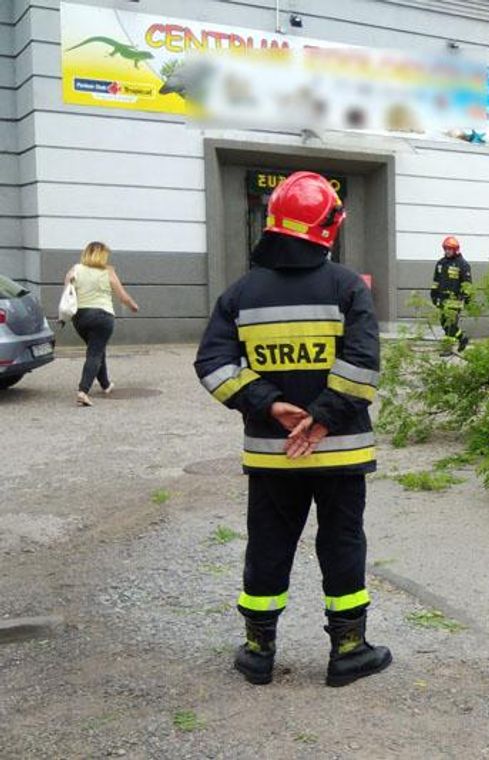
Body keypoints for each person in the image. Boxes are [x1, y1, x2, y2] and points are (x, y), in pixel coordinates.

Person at [194, 171, 390, 688]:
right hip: (341, 450)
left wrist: (269, 403)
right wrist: (323, 417)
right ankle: (349, 651)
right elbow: (363, 363)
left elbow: (212, 363)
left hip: (273, 452)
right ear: (328, 227)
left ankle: (258, 651)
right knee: (342, 542)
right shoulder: (347, 287)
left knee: (268, 543)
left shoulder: (240, 294)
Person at [65, 241, 139, 407]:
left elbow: (67, 293)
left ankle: (105, 384)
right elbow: (122, 296)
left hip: (80, 318)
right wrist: (133, 306)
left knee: (97, 349)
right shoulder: (108, 272)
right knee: (95, 353)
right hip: (102, 317)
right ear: (102, 256)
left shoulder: (75, 269)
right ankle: (83, 391)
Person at [430, 235, 472, 353]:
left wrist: (466, 297)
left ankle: (447, 349)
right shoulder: (440, 263)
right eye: (446, 249)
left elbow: (467, 283)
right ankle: (462, 338)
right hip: (442, 299)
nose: (447, 251)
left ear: (456, 249)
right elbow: (436, 281)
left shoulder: (462, 264)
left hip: (455, 300)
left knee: (449, 324)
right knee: (444, 323)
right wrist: (433, 294)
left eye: (450, 249)